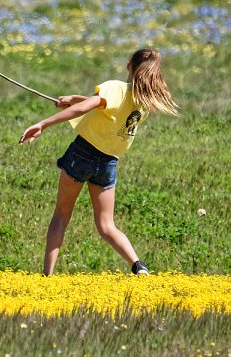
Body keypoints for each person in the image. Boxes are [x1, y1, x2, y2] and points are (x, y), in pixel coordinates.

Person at [19, 49, 178, 276]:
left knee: (61, 216)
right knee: (106, 226)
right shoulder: (144, 103)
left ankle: (48, 275)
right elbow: (107, 108)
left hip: (82, 154)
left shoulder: (115, 87)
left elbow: (90, 107)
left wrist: (42, 124)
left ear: (128, 65)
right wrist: (74, 100)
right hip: (108, 164)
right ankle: (138, 266)